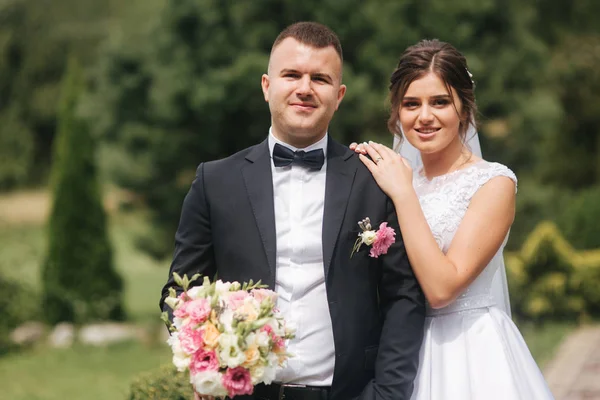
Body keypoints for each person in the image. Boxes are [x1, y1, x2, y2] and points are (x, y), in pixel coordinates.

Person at [160, 22, 425, 400]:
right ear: (267, 86)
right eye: (291, 75)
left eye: (320, 78)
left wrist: (388, 393)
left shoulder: (376, 180)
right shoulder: (215, 182)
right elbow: (180, 293)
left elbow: (404, 296)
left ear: (339, 95)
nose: (305, 88)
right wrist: (206, 361)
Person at [351, 39, 554, 399]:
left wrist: (403, 193)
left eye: (440, 102)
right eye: (411, 104)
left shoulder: (493, 183)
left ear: (464, 108)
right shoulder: (392, 179)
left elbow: (443, 288)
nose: (424, 116)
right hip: (399, 355)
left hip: (470, 352)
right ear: (397, 112)